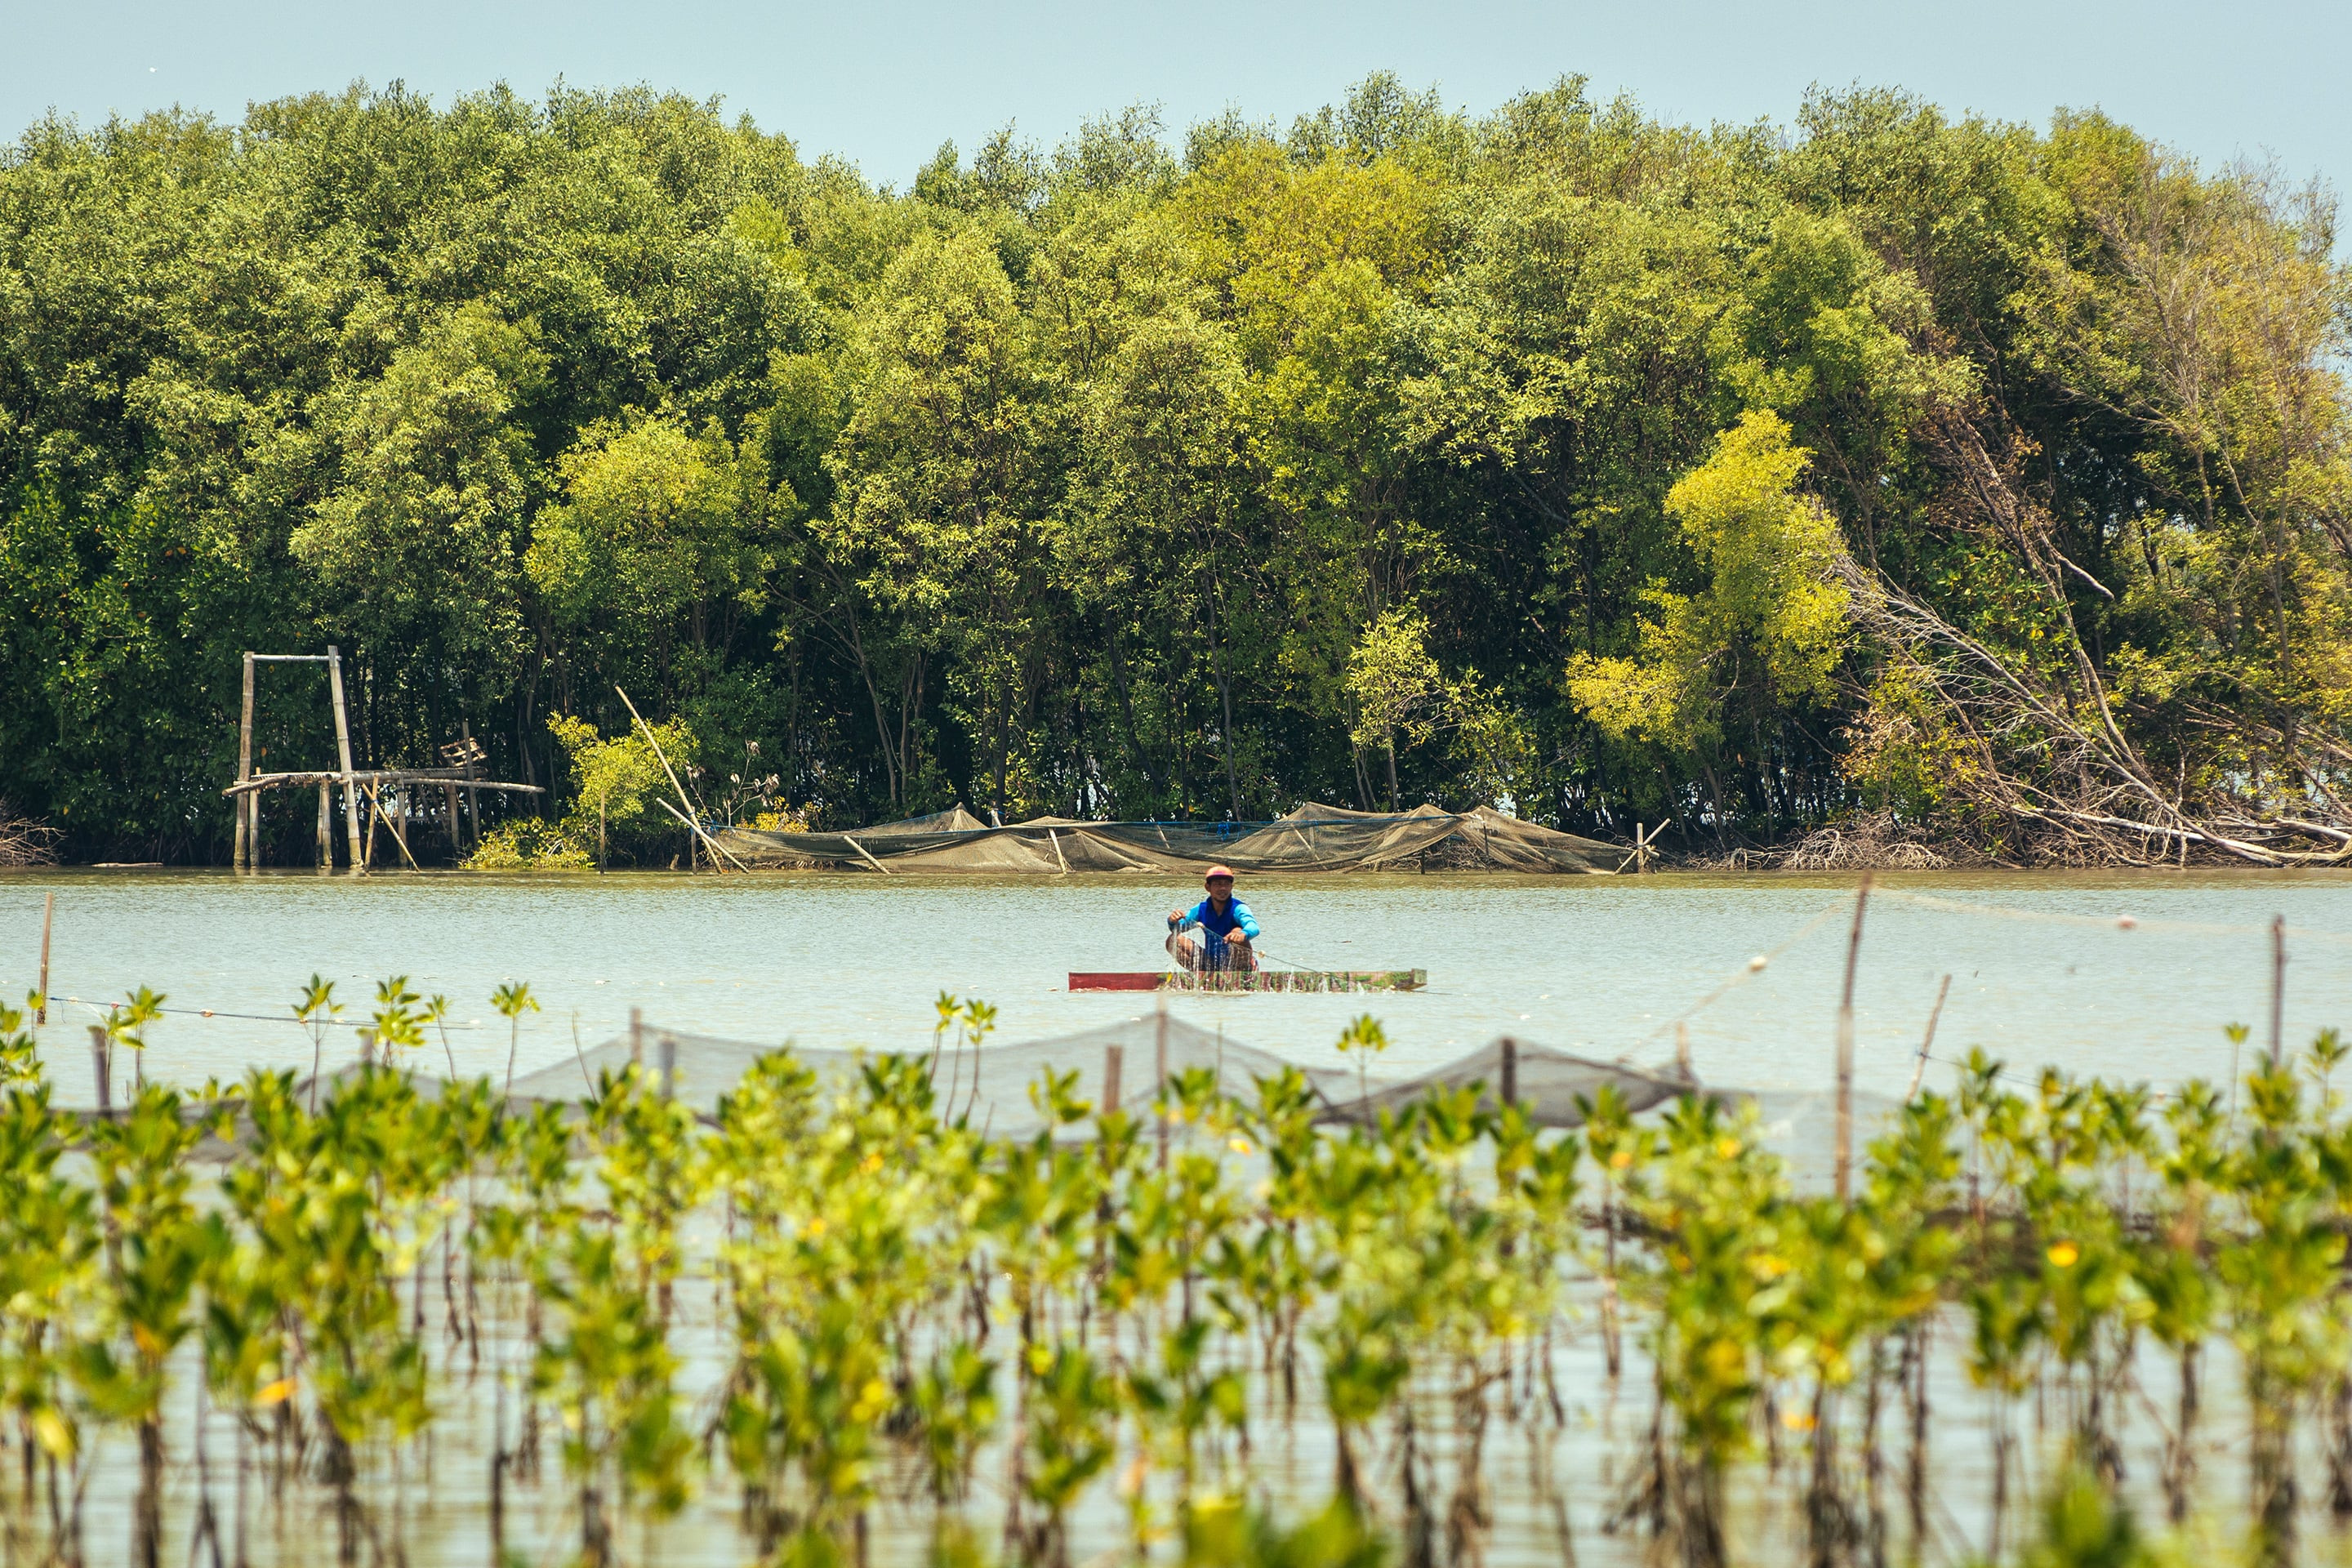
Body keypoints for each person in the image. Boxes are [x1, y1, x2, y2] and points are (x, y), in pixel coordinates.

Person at [1167, 865, 1260, 972]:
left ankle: (1239, 973)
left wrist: (1242, 934)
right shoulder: (1201, 910)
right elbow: (1179, 928)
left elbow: (1253, 927)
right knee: (1172, 940)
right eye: (1217, 884)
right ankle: (1202, 976)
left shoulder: (1239, 908)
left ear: (1231, 887)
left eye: (1226, 884)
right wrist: (1172, 921)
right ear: (1208, 887)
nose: (1223, 888)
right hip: (1211, 961)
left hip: (1239, 962)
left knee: (1237, 930)